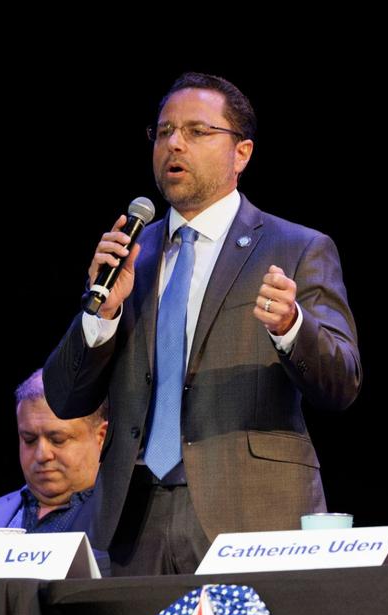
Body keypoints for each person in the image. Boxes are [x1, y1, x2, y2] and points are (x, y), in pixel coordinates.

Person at [43, 72, 361, 575]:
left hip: (250, 517)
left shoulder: (297, 248)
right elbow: (63, 398)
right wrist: (101, 315)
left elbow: (342, 383)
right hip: (132, 522)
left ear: (242, 153)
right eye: (164, 131)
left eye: (196, 131)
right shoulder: (132, 256)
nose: (175, 143)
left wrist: (292, 327)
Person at [0, 369, 107, 535]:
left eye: (58, 439)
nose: (42, 455)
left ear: (101, 437)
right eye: (29, 439)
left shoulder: (131, 529)